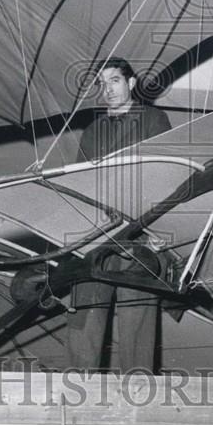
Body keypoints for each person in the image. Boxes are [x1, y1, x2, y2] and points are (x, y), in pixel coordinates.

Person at [66, 56, 171, 372]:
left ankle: (137, 391)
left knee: (137, 321)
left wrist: (158, 231)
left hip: (139, 231)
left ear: (131, 83)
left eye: (114, 80)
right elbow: (80, 184)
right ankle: (78, 390)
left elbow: (166, 176)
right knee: (85, 313)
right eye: (101, 83)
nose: (107, 89)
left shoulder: (153, 120)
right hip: (96, 234)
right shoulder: (92, 131)